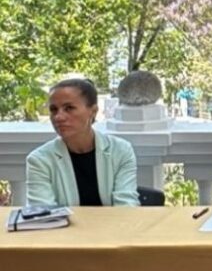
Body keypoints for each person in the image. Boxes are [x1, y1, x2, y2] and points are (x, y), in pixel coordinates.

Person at [26, 78, 140, 207]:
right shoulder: (39, 160)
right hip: (63, 227)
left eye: (69, 108)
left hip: (115, 225)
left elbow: (126, 206)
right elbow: (42, 212)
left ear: (93, 111)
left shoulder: (120, 150)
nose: (58, 117)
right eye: (53, 110)